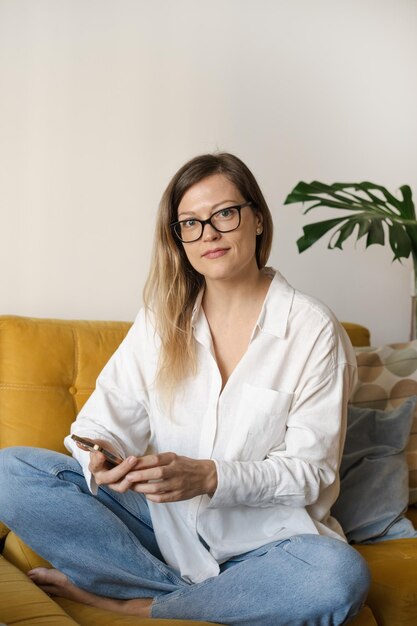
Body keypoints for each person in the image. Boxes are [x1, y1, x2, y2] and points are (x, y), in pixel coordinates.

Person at [0, 153, 370, 625]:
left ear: (257, 219)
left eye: (224, 214)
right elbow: (98, 422)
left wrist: (211, 476)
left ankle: (134, 602)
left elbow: (312, 473)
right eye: (190, 223)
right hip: (163, 533)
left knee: (338, 576)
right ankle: (207, 598)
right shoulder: (161, 321)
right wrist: (101, 455)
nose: (208, 233)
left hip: (268, 547)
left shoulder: (313, 330)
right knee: (10, 471)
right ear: (178, 237)